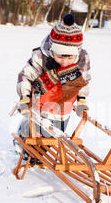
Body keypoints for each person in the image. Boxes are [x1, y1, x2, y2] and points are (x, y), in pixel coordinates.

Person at [14, 13, 91, 161]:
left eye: (70, 57)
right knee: (34, 132)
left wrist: (82, 101)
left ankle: (40, 153)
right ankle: (22, 142)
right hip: (41, 103)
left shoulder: (82, 59)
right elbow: (25, 76)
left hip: (64, 107)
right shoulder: (40, 57)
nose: (65, 61)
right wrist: (24, 99)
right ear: (52, 50)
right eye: (60, 56)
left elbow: (84, 79)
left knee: (52, 134)